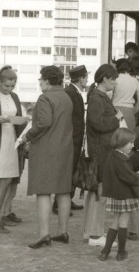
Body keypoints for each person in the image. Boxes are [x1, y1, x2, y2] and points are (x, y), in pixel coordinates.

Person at [22, 66, 73, 249]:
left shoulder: (45, 98)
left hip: (46, 149)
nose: (40, 82)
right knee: (63, 191)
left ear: (47, 80)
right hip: (65, 149)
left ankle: (44, 234)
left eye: (41, 79)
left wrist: (27, 136)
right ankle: (63, 231)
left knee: (43, 191)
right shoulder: (66, 97)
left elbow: (44, 122)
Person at [0, 66, 28, 233]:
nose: (9, 89)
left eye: (12, 86)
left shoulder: (15, 97)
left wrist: (22, 121)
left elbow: (16, 117)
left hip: (10, 142)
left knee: (4, 181)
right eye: (6, 86)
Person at [83, 64, 122, 247]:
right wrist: (117, 119)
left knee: (96, 193)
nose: (115, 82)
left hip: (100, 150)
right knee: (100, 193)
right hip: (102, 151)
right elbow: (97, 123)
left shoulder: (97, 96)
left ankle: (91, 232)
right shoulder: (98, 98)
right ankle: (96, 234)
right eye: (113, 79)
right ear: (105, 78)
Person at [98, 128, 139, 262]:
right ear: (121, 142)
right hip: (125, 194)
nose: (133, 145)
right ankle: (121, 252)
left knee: (115, 222)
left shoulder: (112, 155)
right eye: (130, 142)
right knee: (123, 222)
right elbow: (128, 177)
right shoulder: (122, 159)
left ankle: (105, 251)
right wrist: (138, 176)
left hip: (115, 194)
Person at [53, 65, 88, 215]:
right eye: (86, 77)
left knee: (72, 171)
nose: (87, 80)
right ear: (81, 79)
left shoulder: (74, 91)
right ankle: (59, 204)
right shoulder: (71, 93)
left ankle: (67, 200)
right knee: (67, 173)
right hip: (71, 139)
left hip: (75, 139)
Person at [112, 58, 139, 130]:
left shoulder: (114, 79)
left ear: (117, 67)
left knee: (114, 136)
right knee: (128, 137)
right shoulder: (134, 80)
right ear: (129, 68)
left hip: (114, 109)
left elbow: (109, 95)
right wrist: (133, 111)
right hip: (129, 111)